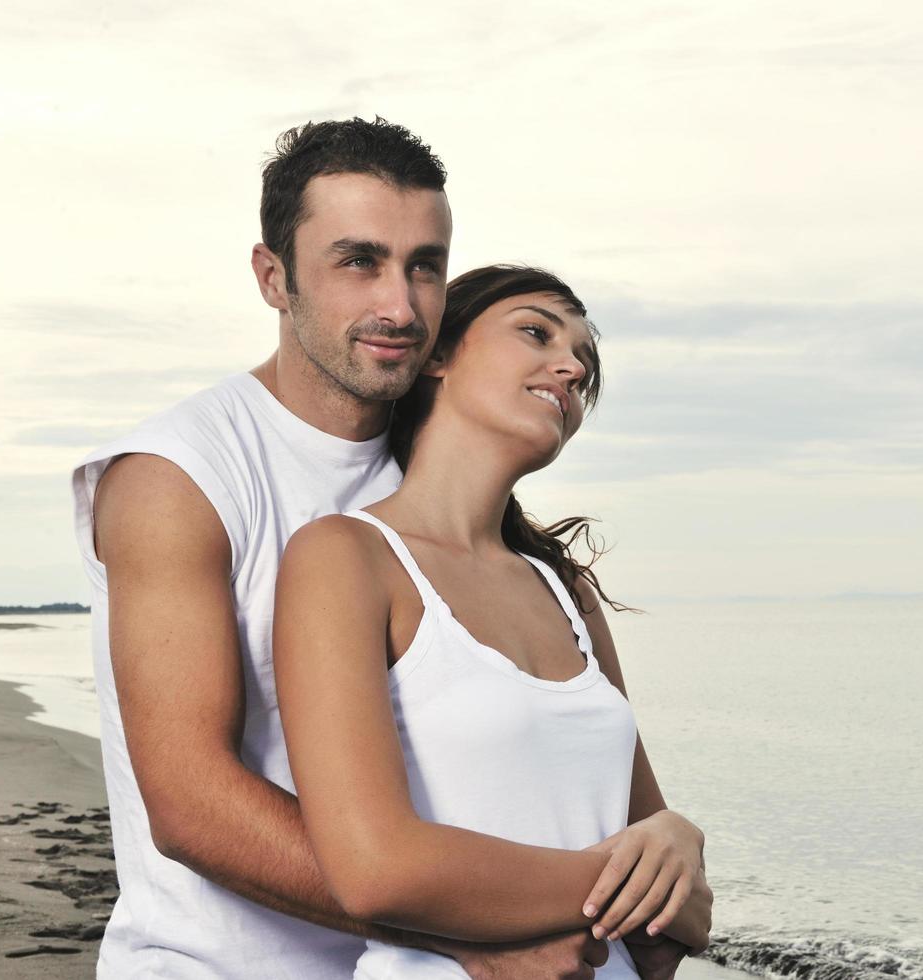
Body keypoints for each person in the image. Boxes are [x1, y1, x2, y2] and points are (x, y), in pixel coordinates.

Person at [70, 118, 650, 978]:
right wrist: (471, 934)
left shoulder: (436, 481)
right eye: (358, 261)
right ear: (274, 277)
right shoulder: (181, 476)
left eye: (425, 266)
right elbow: (192, 805)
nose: (400, 305)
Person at [272, 265, 710, 980]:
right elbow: (374, 868)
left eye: (585, 367)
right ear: (438, 355)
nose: (571, 369)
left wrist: (678, 839)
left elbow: (680, 911)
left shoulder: (566, 590)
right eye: (537, 333)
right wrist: (630, 889)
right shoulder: (346, 558)